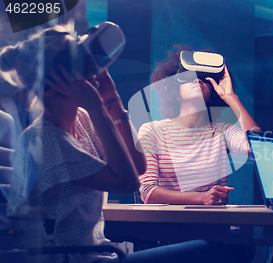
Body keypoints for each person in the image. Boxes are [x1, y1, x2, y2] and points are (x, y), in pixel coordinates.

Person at [2, 26, 237, 263]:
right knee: (218, 251)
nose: (91, 70)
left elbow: (137, 164)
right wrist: (97, 108)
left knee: (221, 249)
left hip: (98, 256)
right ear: (57, 80)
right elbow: (128, 183)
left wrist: (110, 100)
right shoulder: (44, 141)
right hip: (74, 260)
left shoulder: (82, 120)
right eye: (82, 64)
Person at [138, 46, 260, 205]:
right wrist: (201, 198)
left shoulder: (222, 131)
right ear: (175, 94)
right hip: (168, 226)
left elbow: (257, 148)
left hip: (212, 225)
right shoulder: (153, 131)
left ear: (212, 97)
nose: (197, 80)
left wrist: (230, 97)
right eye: (188, 77)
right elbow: (147, 192)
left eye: (204, 78)